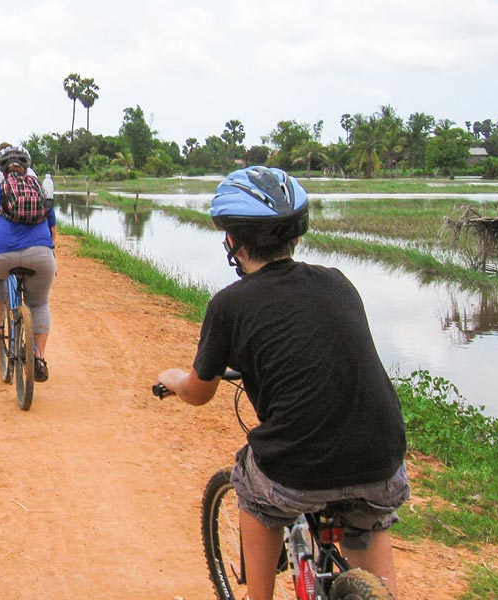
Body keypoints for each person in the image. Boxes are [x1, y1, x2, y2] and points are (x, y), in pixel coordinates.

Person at [156, 166, 408, 599]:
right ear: (295, 234)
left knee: (252, 488)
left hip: (297, 466)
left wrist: (173, 378)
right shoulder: (338, 283)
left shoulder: (229, 304)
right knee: (369, 529)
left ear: (232, 240)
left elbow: (199, 392)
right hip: (382, 455)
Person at [0, 145, 57, 382]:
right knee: (38, 304)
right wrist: (49, 247)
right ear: (27, 167)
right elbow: (53, 228)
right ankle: (38, 356)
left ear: (1, 169)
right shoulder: (40, 191)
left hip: (1, 254)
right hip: (41, 255)